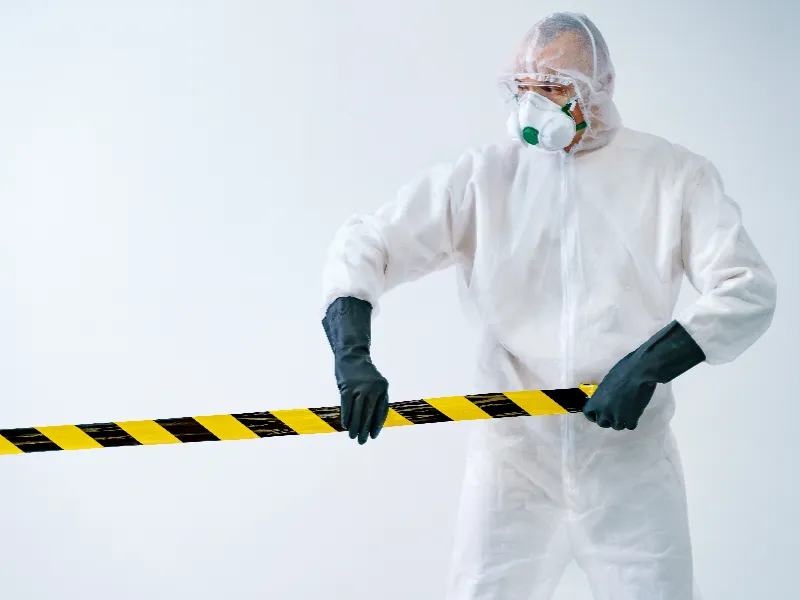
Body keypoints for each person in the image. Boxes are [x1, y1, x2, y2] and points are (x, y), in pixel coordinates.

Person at [320, 11, 776, 600]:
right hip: (512, 462)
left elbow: (748, 288)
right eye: (525, 88)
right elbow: (368, 243)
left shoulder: (672, 176)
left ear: (600, 88)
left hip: (628, 462)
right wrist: (352, 354)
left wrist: (650, 363)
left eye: (557, 88)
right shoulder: (486, 177)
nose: (536, 105)